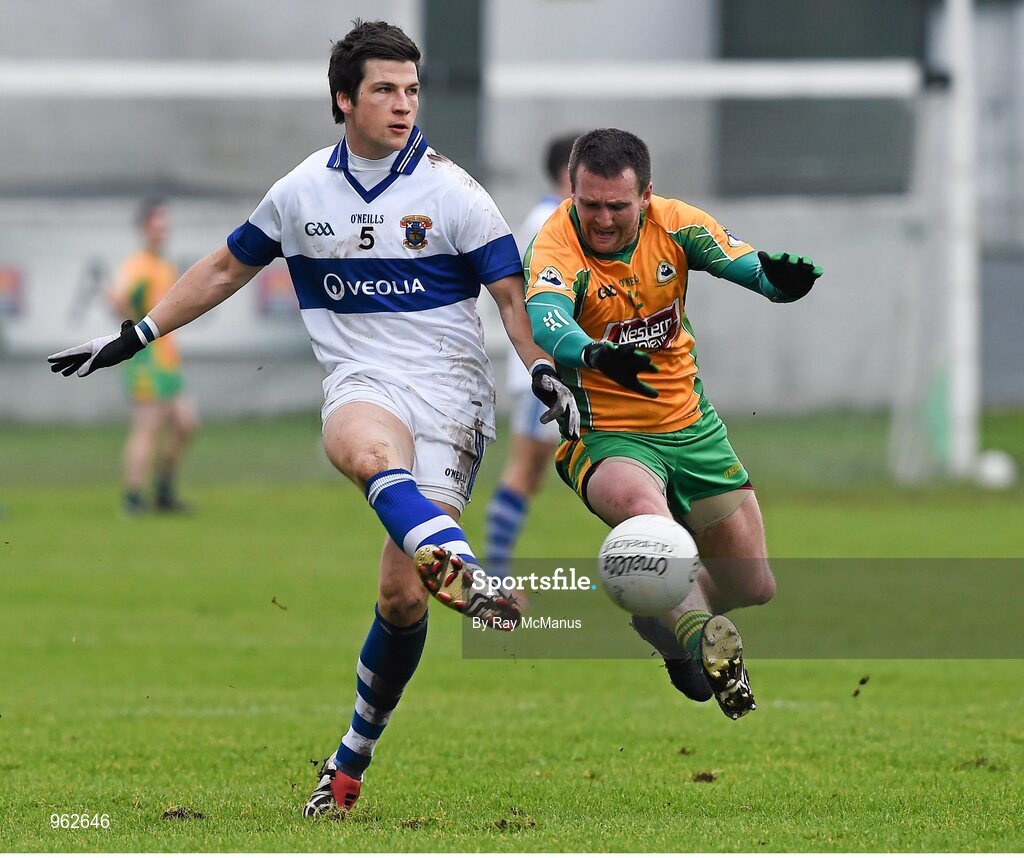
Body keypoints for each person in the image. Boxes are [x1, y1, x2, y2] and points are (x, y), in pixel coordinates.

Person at [48, 20, 578, 818]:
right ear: (344, 98)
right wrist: (139, 332)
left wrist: (539, 367)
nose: (403, 106)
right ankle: (461, 563)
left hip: (451, 393)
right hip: (365, 380)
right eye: (384, 90)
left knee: (402, 601)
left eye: (410, 90)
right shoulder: (301, 192)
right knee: (358, 441)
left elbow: (510, 297)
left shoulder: (455, 192)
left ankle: (350, 759)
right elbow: (228, 265)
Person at [523, 128, 822, 720]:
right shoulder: (556, 244)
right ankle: (698, 640)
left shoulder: (675, 222)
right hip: (608, 437)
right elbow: (547, 318)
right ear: (572, 194)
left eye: (617, 206)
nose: (602, 220)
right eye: (590, 205)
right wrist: (592, 353)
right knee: (654, 528)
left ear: (646, 195)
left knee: (752, 585)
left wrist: (776, 283)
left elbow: (742, 262)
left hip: (692, 428)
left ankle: (663, 621)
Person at [485, 134, 576, 580]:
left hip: (554, 373)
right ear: (568, 173)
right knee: (524, 472)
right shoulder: (548, 220)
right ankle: (495, 577)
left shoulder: (558, 216)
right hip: (545, 375)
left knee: (533, 475)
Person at [107, 198, 197, 515]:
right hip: (147, 360)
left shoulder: (163, 265)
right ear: (144, 228)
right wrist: (132, 332)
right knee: (147, 427)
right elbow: (116, 297)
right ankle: (132, 499)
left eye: (165, 226)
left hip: (167, 359)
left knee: (186, 424)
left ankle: (163, 491)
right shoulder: (137, 266)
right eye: (157, 225)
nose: (163, 231)